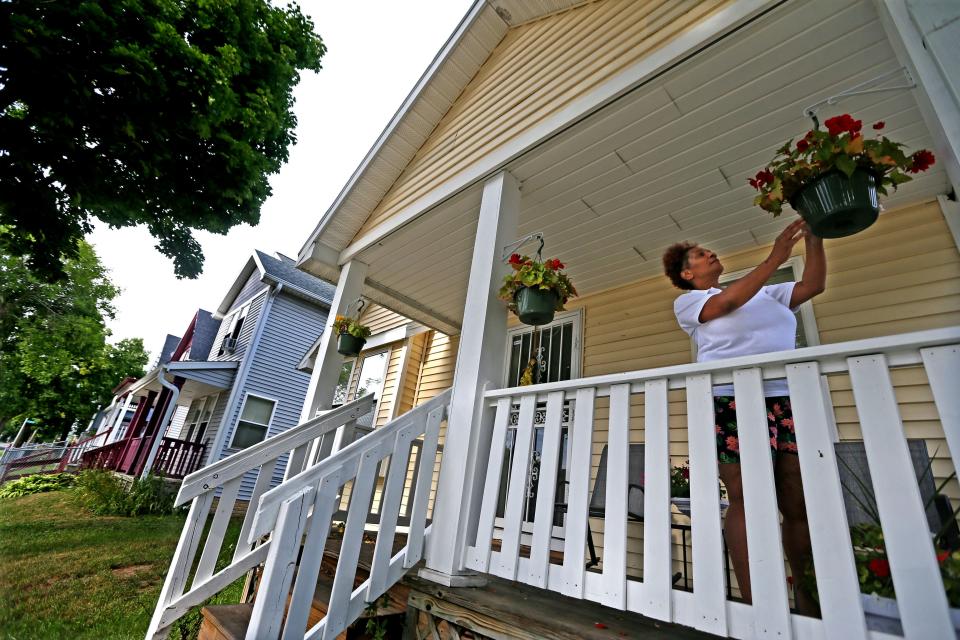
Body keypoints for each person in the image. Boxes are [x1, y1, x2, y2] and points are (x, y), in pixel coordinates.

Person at [662, 218, 826, 615]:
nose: (709, 253)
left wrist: (815, 238)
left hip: (785, 400)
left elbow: (813, 285)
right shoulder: (689, 302)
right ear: (688, 273)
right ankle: (760, 610)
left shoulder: (768, 293)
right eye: (700, 254)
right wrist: (776, 256)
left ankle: (809, 606)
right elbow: (728, 303)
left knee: (797, 502)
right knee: (745, 499)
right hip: (731, 401)